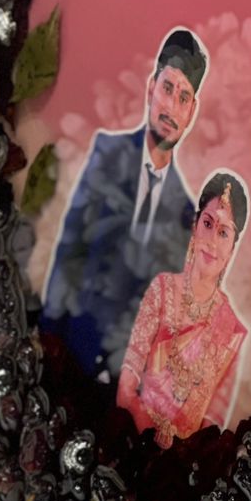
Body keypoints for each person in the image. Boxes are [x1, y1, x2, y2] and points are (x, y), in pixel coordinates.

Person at [39, 29, 206, 380]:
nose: (171, 108)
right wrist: (47, 338)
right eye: (167, 88)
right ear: (151, 88)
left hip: (125, 380)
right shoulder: (109, 153)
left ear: (191, 112)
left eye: (184, 98)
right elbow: (71, 248)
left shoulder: (185, 211)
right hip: (70, 348)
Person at [117, 172, 250, 447]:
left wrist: (178, 457)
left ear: (232, 248)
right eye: (208, 224)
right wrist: (148, 436)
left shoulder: (233, 331)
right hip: (132, 437)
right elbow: (126, 388)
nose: (212, 241)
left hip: (182, 462)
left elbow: (210, 429)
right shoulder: (162, 290)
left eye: (223, 232)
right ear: (195, 226)